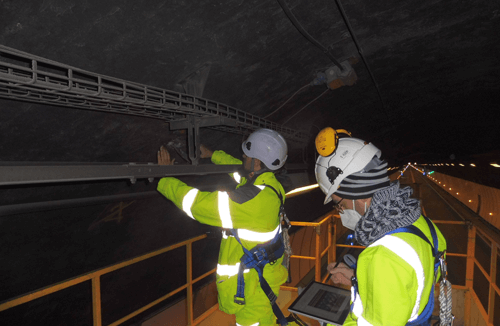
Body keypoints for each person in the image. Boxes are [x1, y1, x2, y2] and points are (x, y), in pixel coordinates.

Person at [314, 129, 448, 326]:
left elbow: (392, 273)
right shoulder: (419, 222)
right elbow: (408, 284)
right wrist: (358, 278)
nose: (340, 211)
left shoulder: (381, 257)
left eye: (339, 204)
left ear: (355, 191)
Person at [157, 128, 289, 326]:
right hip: (264, 279)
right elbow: (239, 170)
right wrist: (212, 155)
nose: (243, 155)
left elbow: (197, 204)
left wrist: (164, 178)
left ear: (258, 163)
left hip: (253, 288)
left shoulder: (250, 202)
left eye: (248, 154)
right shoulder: (272, 187)